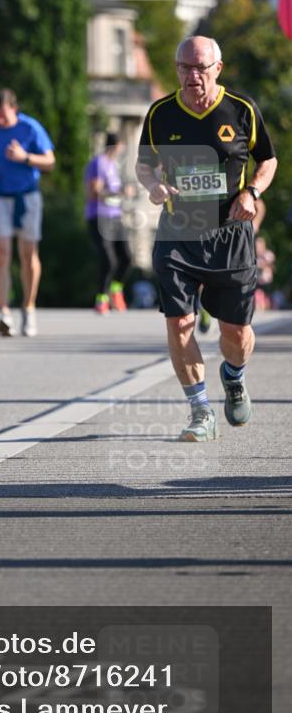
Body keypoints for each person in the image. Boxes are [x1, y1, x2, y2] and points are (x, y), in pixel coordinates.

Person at [135, 35, 277, 442]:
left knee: (236, 335)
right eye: (184, 67)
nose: (192, 76)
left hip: (230, 235)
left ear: (218, 68)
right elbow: (145, 164)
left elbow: (268, 160)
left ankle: (233, 376)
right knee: (180, 323)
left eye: (200, 67)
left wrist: (253, 192)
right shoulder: (160, 113)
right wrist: (153, 187)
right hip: (179, 232)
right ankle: (200, 409)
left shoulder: (242, 109)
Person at [0, 88, 55, 337]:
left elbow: (50, 162)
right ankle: (4, 312)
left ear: (14, 109)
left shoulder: (30, 128)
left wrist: (25, 157)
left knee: (28, 253)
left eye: (4, 117)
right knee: (0, 253)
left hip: (27, 196)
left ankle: (28, 308)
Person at [84, 131, 132, 314]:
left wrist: (122, 192)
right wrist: (119, 193)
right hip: (99, 216)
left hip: (115, 216)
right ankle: (101, 299)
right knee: (108, 260)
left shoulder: (113, 165)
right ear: (116, 146)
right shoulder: (98, 163)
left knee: (127, 257)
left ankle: (115, 290)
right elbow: (93, 192)